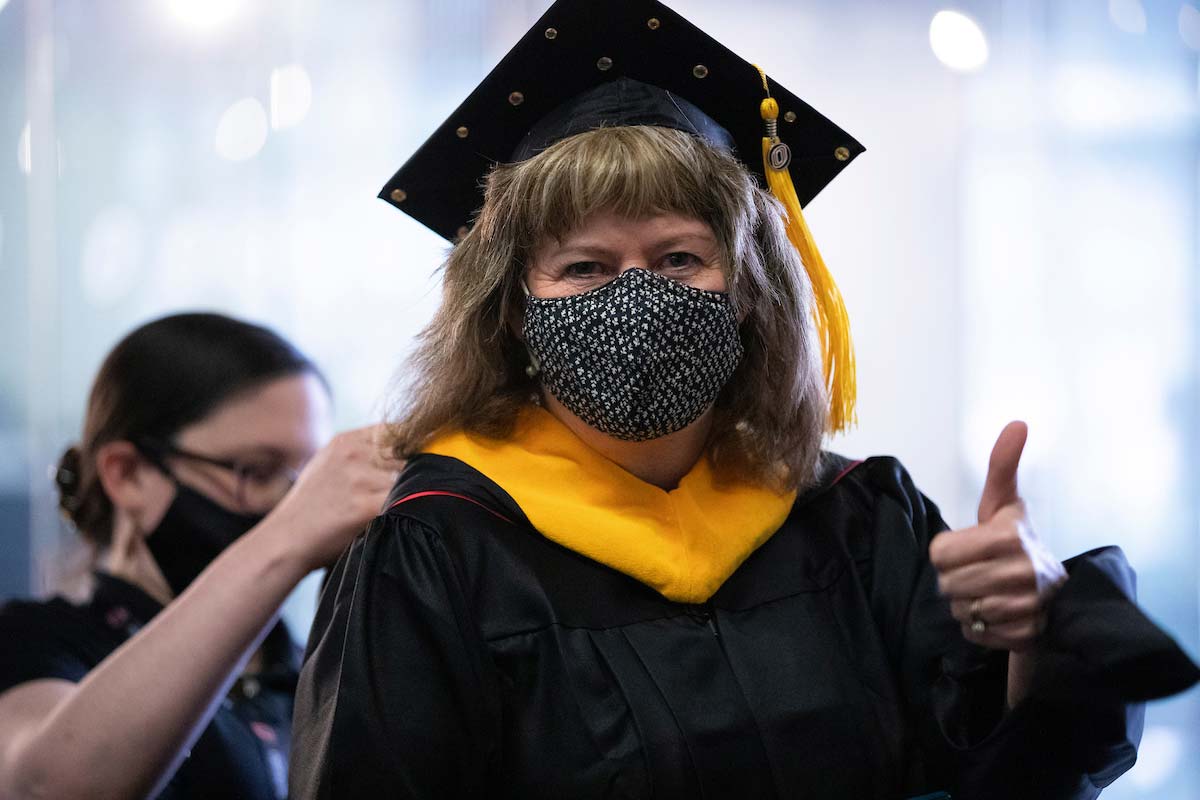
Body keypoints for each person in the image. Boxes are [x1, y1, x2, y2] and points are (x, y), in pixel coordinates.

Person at [290, 1, 1200, 798]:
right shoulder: (438, 549)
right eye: (584, 267)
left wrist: (1029, 638)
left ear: (750, 289)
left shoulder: (855, 519)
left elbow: (998, 774)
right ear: (513, 312)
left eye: (680, 258)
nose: (635, 294)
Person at [0, 312, 398, 800]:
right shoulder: (36, 643)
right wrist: (288, 535)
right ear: (127, 475)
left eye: (307, 476)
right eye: (255, 471)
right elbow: (46, 788)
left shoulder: (307, 675)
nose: (292, 502)